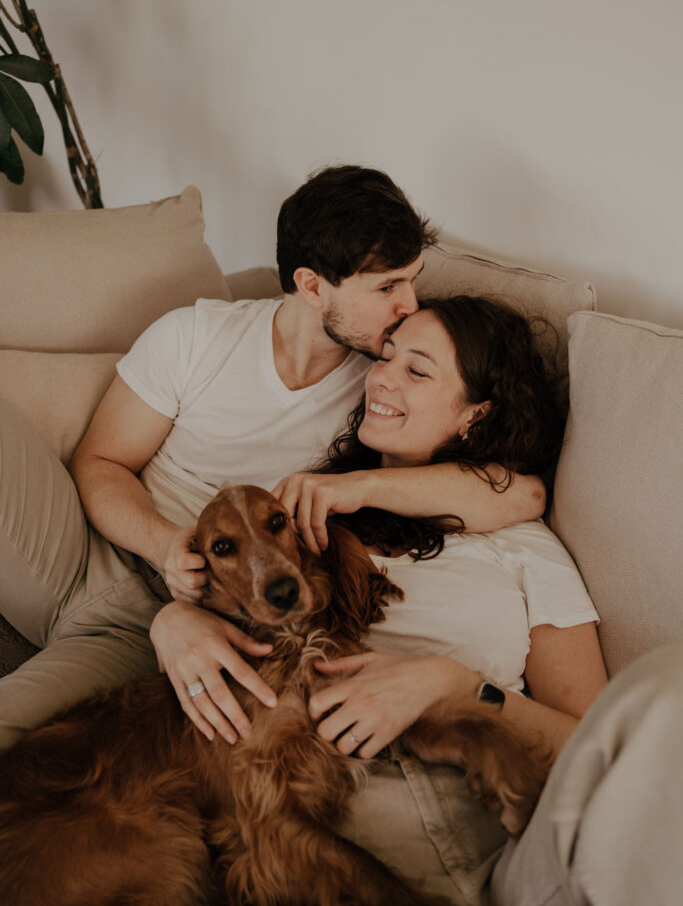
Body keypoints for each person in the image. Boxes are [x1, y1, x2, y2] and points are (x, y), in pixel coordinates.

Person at [0, 166, 543, 750]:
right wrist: (163, 545)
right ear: (311, 287)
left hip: (184, 619)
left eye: (411, 281)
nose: (409, 305)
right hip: (83, 553)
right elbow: (100, 460)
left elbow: (522, 492)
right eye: (387, 287)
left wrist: (353, 488)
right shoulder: (194, 336)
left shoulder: (384, 386)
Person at [266, 297, 683, 906]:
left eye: (418, 369)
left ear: (475, 415)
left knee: (669, 688)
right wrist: (174, 621)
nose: (380, 375)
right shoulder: (309, 521)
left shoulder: (524, 547)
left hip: (494, 836)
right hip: (325, 814)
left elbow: (596, 751)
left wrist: (455, 687)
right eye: (385, 355)